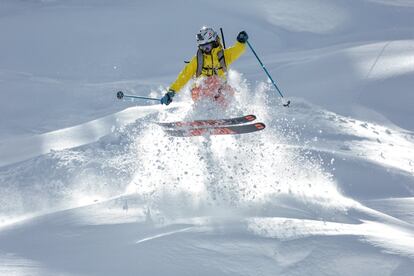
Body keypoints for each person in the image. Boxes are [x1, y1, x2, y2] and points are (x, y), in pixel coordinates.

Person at [160, 26, 248, 106]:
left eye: (207, 47)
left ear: (214, 43)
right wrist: (171, 92)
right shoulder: (198, 60)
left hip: (218, 92)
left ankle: (221, 116)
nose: (205, 50)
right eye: (202, 48)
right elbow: (184, 75)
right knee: (213, 81)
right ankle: (203, 113)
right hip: (199, 92)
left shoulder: (224, 56)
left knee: (228, 91)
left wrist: (241, 42)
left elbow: (237, 50)